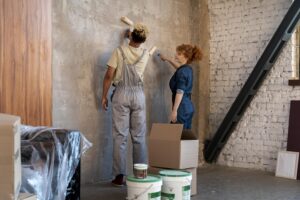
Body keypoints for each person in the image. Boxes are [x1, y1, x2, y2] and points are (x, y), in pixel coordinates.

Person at [101, 23, 150, 186]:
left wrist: (104, 96)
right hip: (139, 95)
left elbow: (109, 75)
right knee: (139, 137)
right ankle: (141, 174)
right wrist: (132, 35)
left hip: (121, 93)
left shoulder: (119, 51)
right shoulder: (145, 53)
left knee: (120, 136)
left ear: (131, 36)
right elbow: (137, 43)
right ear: (142, 40)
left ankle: (119, 176)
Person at [159, 44, 202, 129]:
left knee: (179, 137)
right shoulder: (187, 69)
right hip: (187, 106)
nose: (176, 55)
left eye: (179, 54)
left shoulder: (182, 72)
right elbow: (179, 68)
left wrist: (174, 111)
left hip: (181, 108)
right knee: (184, 136)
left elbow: (180, 91)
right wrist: (168, 60)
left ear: (186, 56)